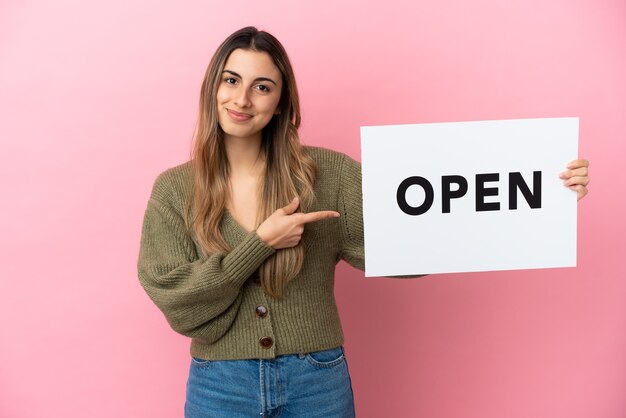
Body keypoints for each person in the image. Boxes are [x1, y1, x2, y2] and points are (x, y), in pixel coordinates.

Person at [137, 26, 590, 418]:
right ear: (212, 86)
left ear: (280, 102)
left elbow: (409, 245)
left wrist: (548, 193)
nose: (241, 98)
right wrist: (259, 244)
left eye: (262, 86)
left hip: (316, 377)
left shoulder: (328, 174)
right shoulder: (175, 190)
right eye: (231, 80)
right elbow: (178, 300)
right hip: (220, 384)